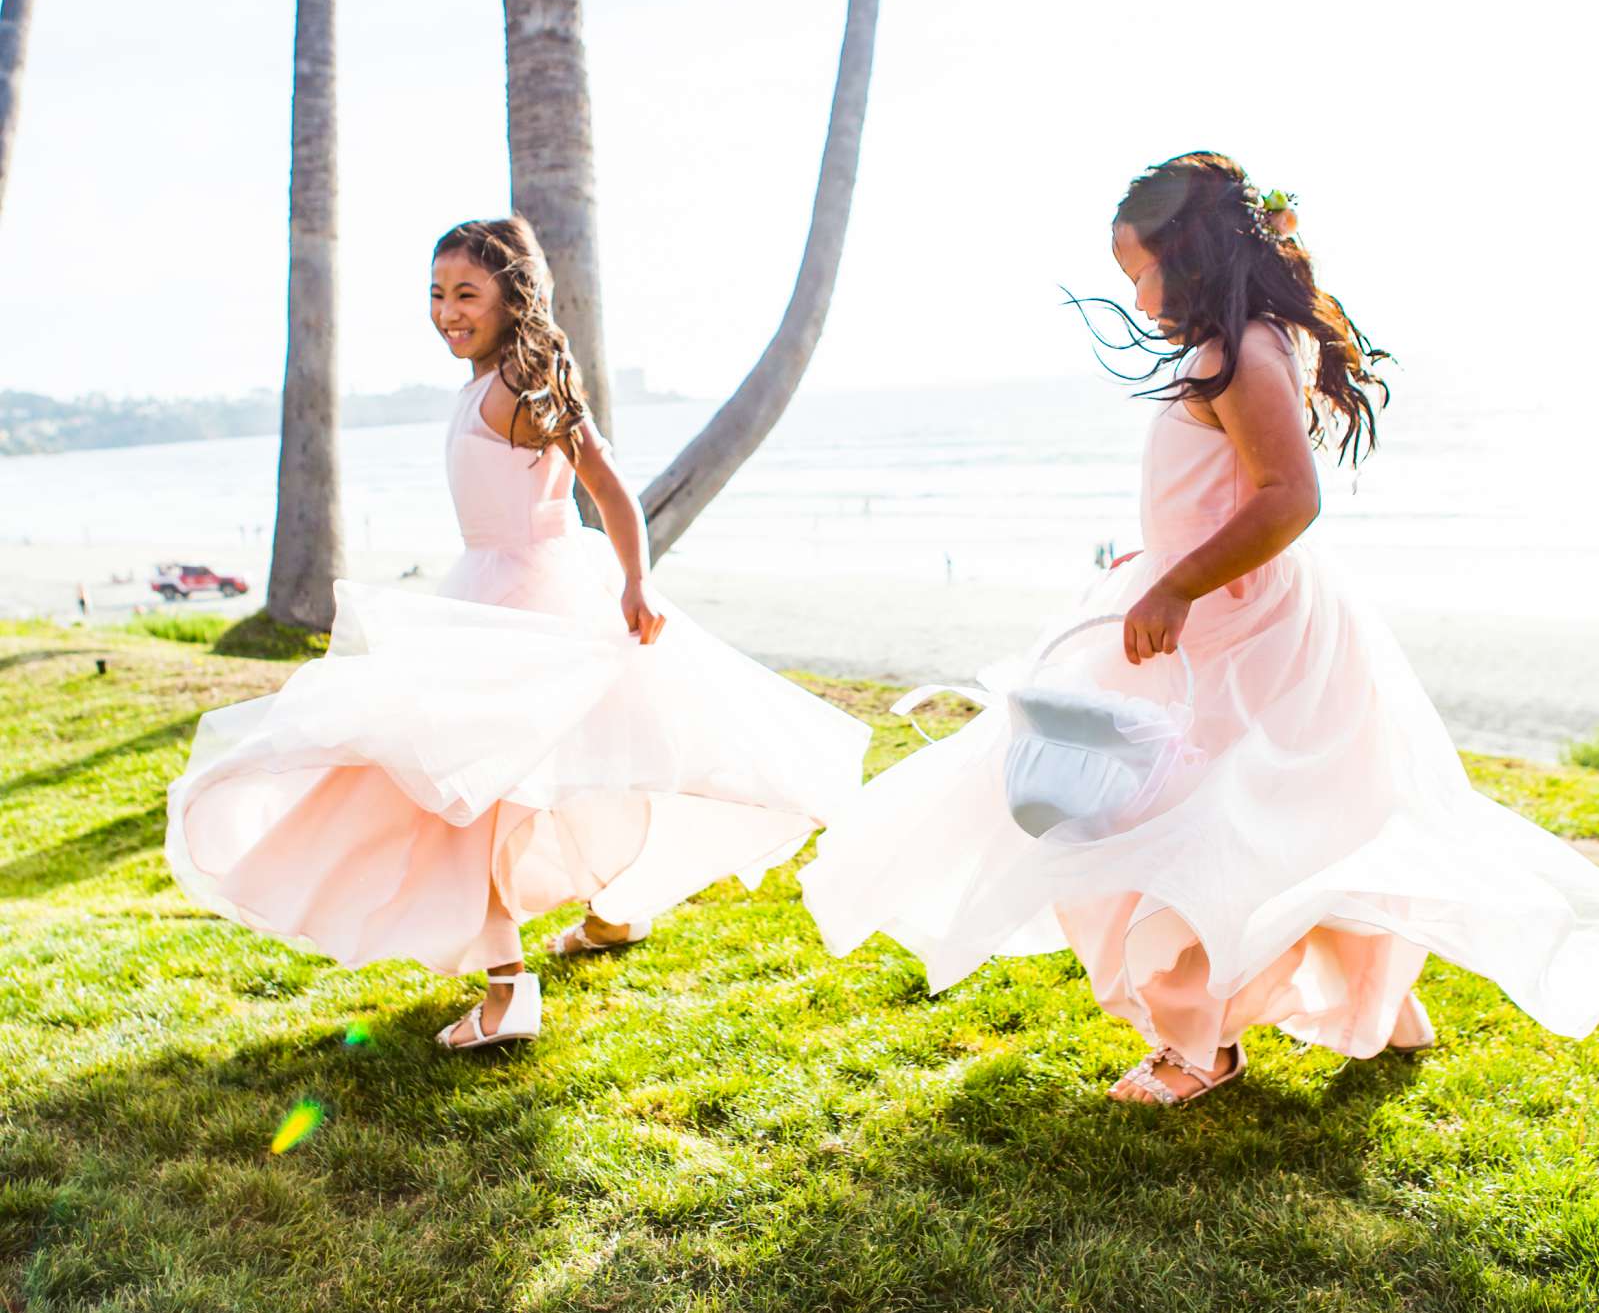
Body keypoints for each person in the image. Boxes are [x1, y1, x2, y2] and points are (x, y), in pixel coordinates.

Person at [803, 152, 1599, 1104]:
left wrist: (1180, 583)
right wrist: (1155, 563)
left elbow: (1287, 496)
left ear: (1193, 254)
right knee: (1282, 824)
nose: (1136, 297)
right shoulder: (1247, 339)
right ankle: (1375, 1008)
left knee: (1188, 831)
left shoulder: (1240, 352)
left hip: (1239, 632)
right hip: (1224, 612)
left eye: (1139, 271)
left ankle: (1198, 1045)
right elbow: (1218, 492)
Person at [168, 216, 868, 1051]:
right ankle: (610, 918)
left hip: (525, 597)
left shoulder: (516, 391)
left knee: (478, 799)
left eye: (467, 293)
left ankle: (512, 994)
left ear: (512, 297)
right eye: (436, 294)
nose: (446, 311)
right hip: (493, 592)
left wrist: (638, 579)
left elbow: (606, 486)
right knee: (552, 772)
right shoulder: (489, 381)